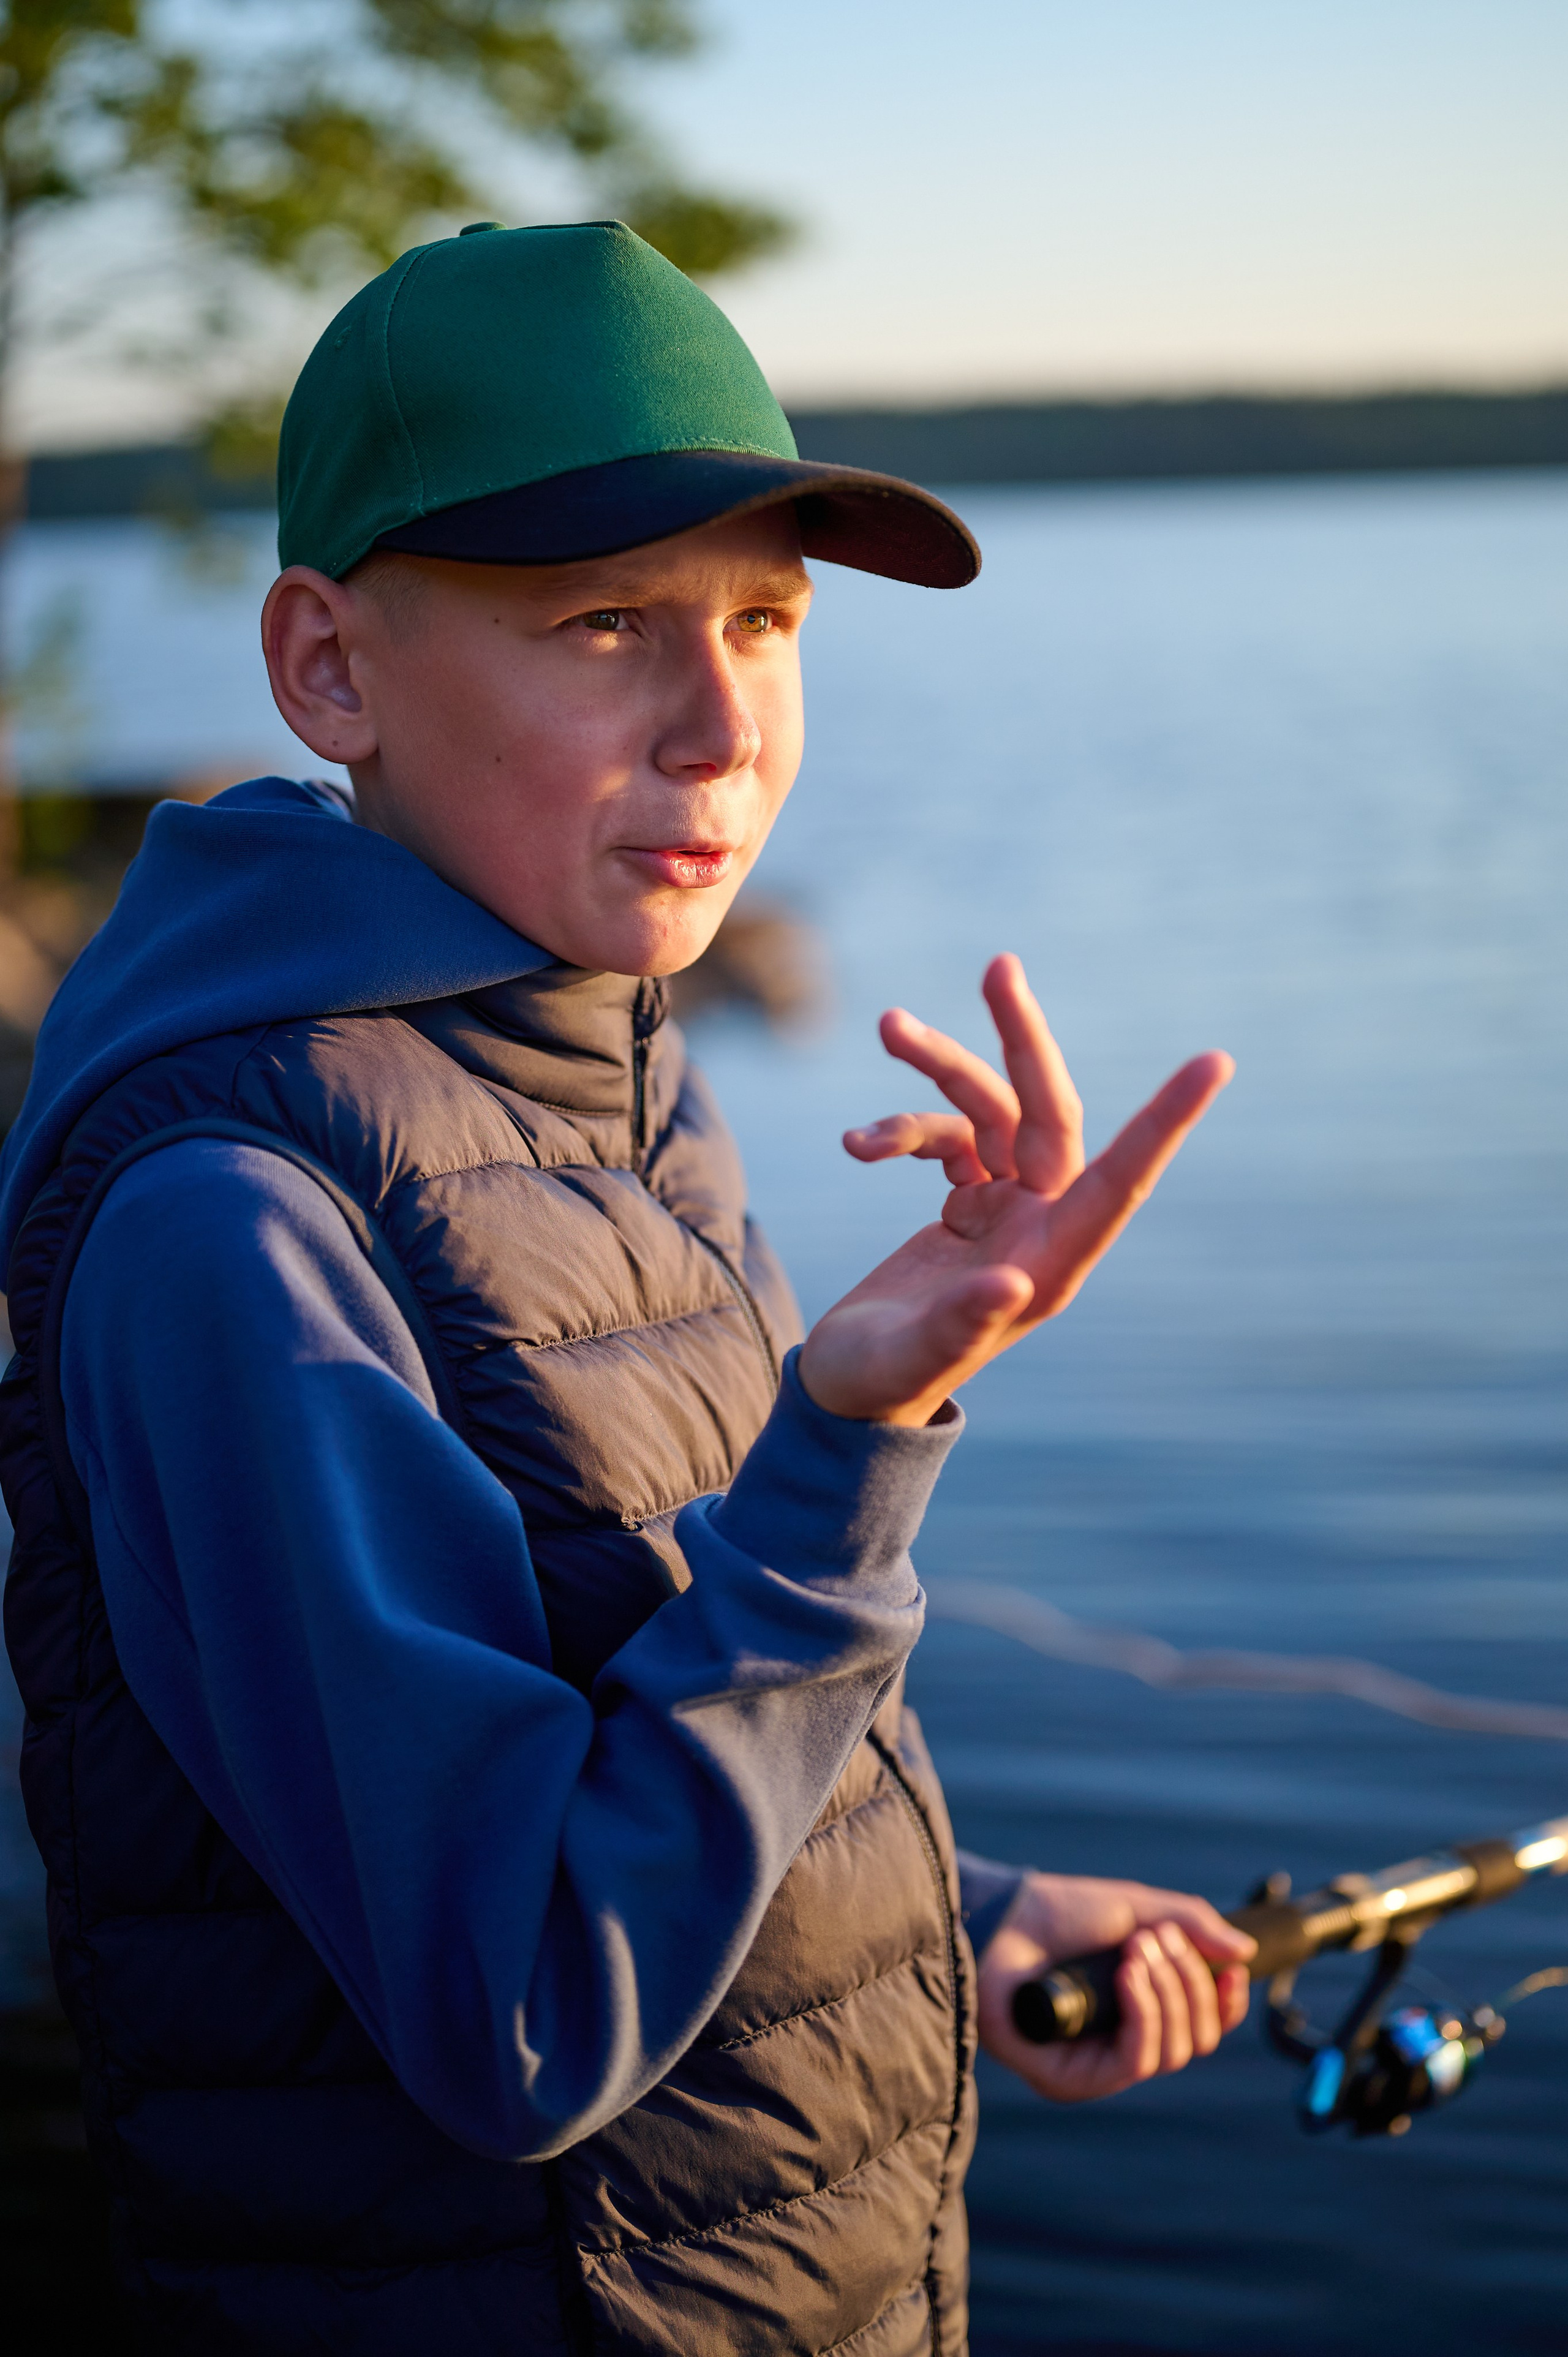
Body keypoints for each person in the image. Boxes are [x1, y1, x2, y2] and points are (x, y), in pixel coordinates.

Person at [0, 222, 1254, 2356]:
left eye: (767, 621)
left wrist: (947, 1925)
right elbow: (516, 2009)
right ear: (328, 671)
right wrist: (843, 1451)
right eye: (603, 622)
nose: (719, 726)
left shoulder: (595, 1061)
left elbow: (613, 1747)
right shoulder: (234, 1219)